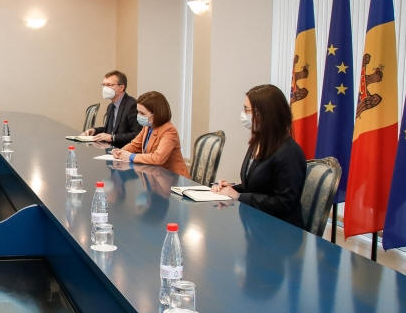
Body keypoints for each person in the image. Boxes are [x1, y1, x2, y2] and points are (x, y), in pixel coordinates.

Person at [212, 84, 306, 228]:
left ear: (265, 114)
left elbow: (284, 202)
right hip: (255, 222)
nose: (243, 114)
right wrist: (232, 188)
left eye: (247, 110)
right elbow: (255, 187)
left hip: (281, 230)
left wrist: (238, 196)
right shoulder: (258, 143)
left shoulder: (289, 152)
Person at [110, 91, 189, 177]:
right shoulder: (147, 126)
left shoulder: (169, 131)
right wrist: (121, 152)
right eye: (138, 112)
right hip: (155, 176)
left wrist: (131, 156)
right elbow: (135, 145)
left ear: (156, 114)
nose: (138, 115)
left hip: (173, 179)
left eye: (142, 113)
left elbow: (158, 158)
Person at [82, 70, 141, 147]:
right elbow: (110, 130)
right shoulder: (111, 106)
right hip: (112, 149)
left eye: (109, 85)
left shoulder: (132, 105)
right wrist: (95, 131)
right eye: (103, 85)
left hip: (126, 150)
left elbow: (138, 134)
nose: (105, 88)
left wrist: (112, 138)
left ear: (121, 87)